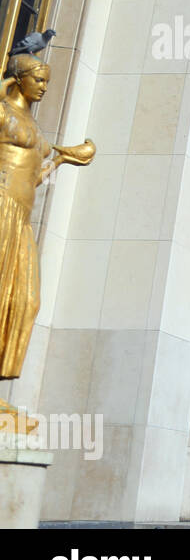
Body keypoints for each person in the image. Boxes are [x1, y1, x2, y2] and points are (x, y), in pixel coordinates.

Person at [0, 54, 94, 413]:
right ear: (19, 78)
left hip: (20, 216)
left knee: (24, 301)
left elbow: (35, 177)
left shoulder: (34, 128)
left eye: (47, 81)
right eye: (38, 79)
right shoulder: (5, 113)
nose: (44, 86)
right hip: (2, 207)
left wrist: (64, 160)